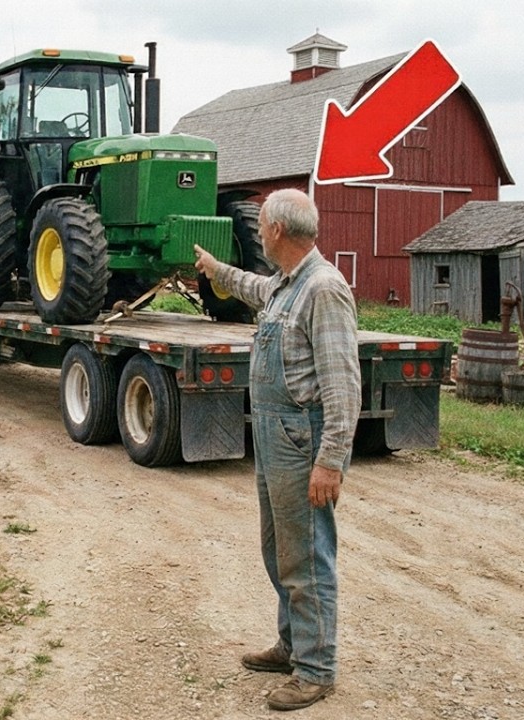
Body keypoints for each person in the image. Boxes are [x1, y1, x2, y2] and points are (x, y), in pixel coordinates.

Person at [194, 188, 360, 711]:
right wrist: (216, 269)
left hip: (300, 438)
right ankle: (292, 646)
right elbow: (252, 286)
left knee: (307, 555)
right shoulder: (286, 285)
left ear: (277, 232)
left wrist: (330, 459)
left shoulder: (323, 289)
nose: (259, 234)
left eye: (262, 226)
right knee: (279, 549)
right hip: (274, 435)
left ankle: (316, 670)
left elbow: (343, 384)